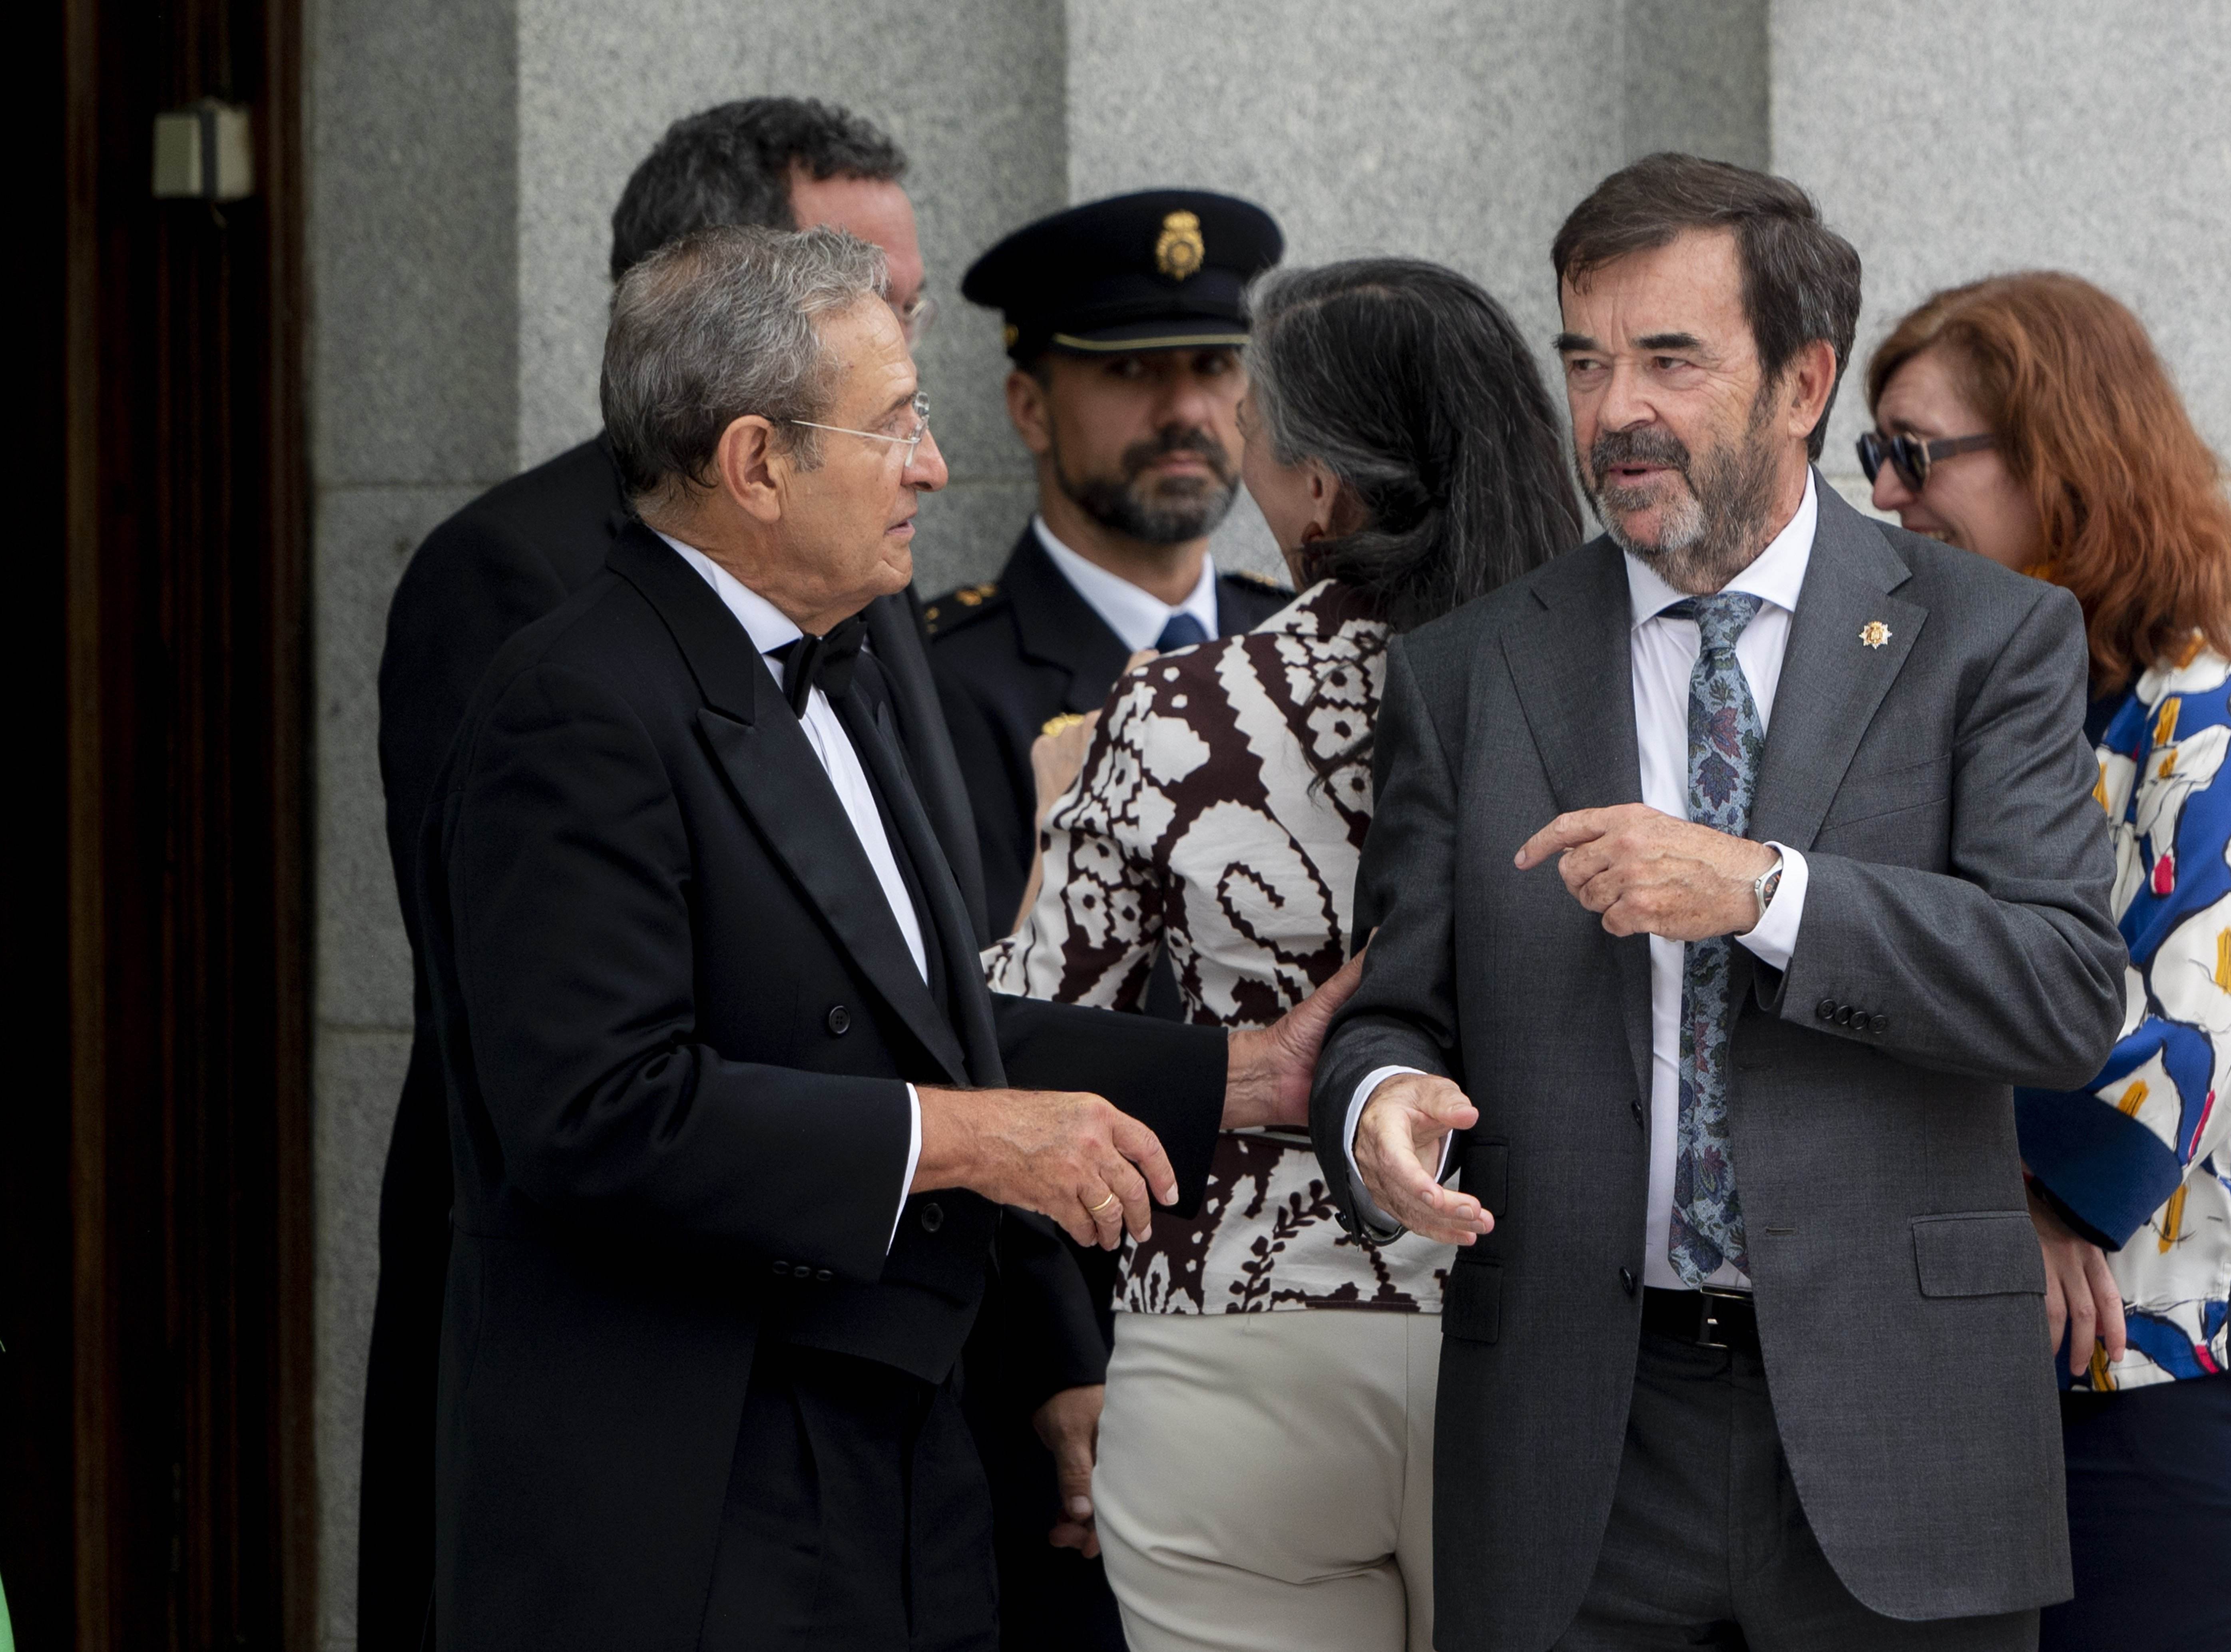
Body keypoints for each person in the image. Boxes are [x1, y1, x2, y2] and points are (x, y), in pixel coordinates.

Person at [418, 225, 1348, 1650]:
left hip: (899, 1454)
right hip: (694, 1485)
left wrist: (1243, 1075)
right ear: (756, 463)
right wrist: (973, 1141)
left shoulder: (838, 662)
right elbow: (598, 1113)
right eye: (898, 423)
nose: (935, 466)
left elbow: (925, 1019)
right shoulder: (576, 704)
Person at [1310, 152, 2131, 1652]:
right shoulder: (1468, 670)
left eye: (1670, 360)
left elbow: (2063, 989)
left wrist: (1764, 890)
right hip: (1580, 1450)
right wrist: (1377, 1105)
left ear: (1804, 381)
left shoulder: (1987, 640)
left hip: (1901, 1439)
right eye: (1586, 361)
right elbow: (1393, 1011)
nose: (1615, 409)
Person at [363, 98, 944, 1650]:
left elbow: (917, 982)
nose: (902, 348)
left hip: (874, 1391)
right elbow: (567, 1042)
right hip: (649, 1405)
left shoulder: (853, 568)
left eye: (901, 301)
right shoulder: (524, 587)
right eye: (863, 294)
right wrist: (956, 1135)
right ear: (723, 297)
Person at [986, 258, 1584, 1652]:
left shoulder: (1181, 709)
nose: (1234, 445)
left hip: (1241, 1340)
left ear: (1321, 490)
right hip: (1551, 1338)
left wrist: (1056, 815)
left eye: (1252, 422)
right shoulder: (1613, 692)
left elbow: (1024, 1030)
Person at [1862, 271, 2231, 1652]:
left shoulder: (2209, 713)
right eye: (1876, 453)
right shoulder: (1956, 702)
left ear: (2058, 458)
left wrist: (2039, 1189)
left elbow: (2208, 1018)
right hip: (1973, 1363)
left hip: (2165, 1391)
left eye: (1917, 454)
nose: (1884, 492)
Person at [928, 190, 1297, 947]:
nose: (1185, 410)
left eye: (1214, 365)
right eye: (1131, 369)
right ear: (1031, 409)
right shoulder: (940, 689)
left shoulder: (1298, 642)